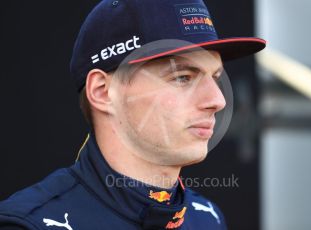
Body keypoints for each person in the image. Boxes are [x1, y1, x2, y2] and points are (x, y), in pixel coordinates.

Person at [0, 0, 265, 229]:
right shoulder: (29, 224)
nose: (218, 101)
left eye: (216, 79)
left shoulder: (207, 219)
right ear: (103, 92)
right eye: (183, 77)